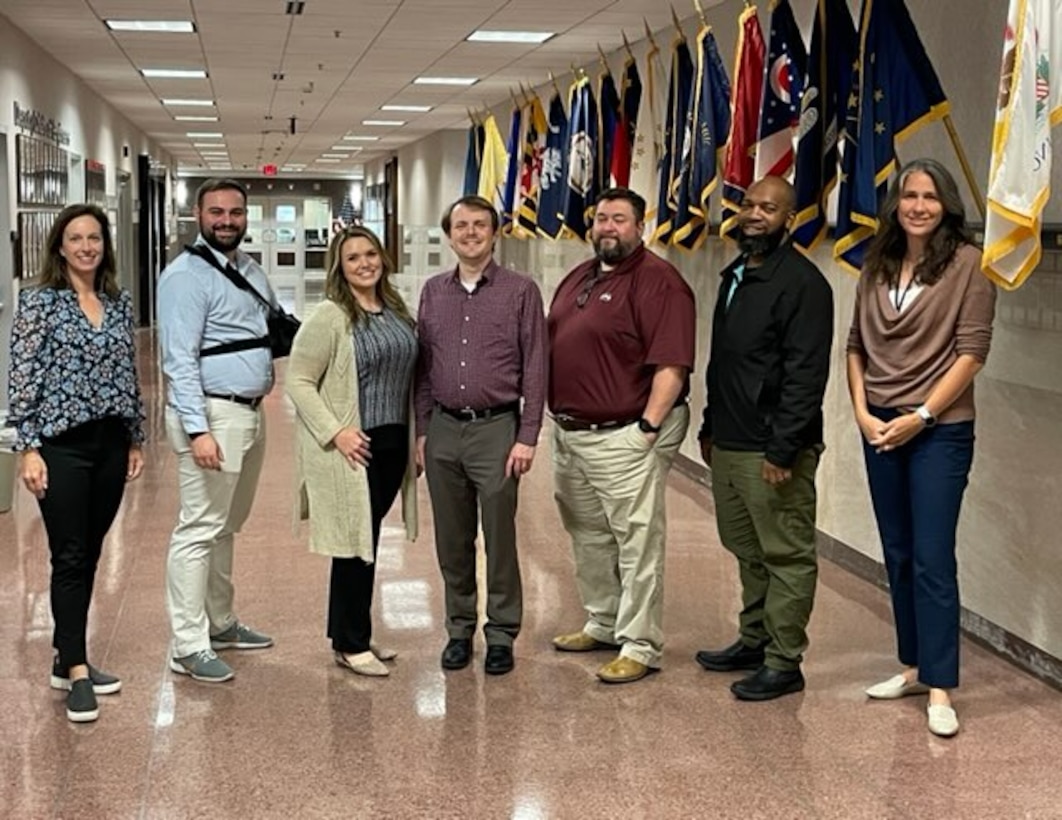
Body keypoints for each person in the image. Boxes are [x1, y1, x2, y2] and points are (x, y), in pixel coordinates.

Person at [847, 159, 996, 737]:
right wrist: (862, 414)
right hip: (879, 426)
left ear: (947, 205)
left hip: (940, 428)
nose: (918, 206)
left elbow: (972, 352)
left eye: (929, 197)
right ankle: (911, 665)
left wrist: (924, 414)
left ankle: (940, 686)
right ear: (895, 204)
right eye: (908, 195)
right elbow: (856, 344)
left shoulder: (967, 265)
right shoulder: (875, 263)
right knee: (899, 553)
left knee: (933, 557)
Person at [548, 187, 696, 684]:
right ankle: (605, 621)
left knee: (636, 542)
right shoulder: (581, 276)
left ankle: (640, 643)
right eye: (601, 219)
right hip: (572, 434)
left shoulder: (660, 283)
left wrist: (647, 430)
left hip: (626, 435)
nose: (607, 228)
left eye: (619, 219)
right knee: (588, 535)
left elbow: (672, 365)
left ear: (641, 227)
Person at [695, 176, 833, 701]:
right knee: (746, 550)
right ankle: (753, 640)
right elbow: (724, 364)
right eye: (749, 204)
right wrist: (710, 427)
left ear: (789, 219)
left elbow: (806, 375)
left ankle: (783, 660)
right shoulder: (736, 274)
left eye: (768, 208)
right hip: (729, 442)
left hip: (772, 450)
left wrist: (784, 449)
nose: (754, 214)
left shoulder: (803, 285)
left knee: (786, 555)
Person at [8, 204, 145, 722]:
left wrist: (135, 437)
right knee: (68, 554)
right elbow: (22, 377)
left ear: (104, 245)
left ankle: (65, 657)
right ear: (59, 246)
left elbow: (127, 373)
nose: (86, 246)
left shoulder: (117, 300)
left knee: (88, 552)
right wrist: (27, 447)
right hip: (60, 446)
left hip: (110, 443)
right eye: (76, 238)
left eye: (94, 238)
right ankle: (79, 670)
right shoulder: (40, 302)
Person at [414, 194, 547, 676]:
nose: (470, 233)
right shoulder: (432, 291)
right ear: (449, 235)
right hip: (445, 428)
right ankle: (458, 629)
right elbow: (423, 367)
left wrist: (527, 434)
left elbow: (536, 365)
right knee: (452, 539)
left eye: (480, 225)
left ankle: (501, 633)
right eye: (461, 226)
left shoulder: (520, 291)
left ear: (495, 233)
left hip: (498, 429)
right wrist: (424, 429)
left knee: (500, 537)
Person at [158, 178, 277, 684]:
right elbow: (178, 360)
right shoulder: (185, 275)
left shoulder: (248, 268)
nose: (227, 220)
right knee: (198, 530)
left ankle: (221, 621)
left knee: (226, 526)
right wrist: (197, 429)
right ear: (197, 216)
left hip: (249, 413)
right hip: (213, 416)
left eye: (235, 212)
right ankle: (187, 645)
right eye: (216, 212)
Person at [286, 225, 418, 677]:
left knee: (369, 538)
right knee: (354, 541)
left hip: (393, 442)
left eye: (370, 254)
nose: (365, 264)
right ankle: (349, 642)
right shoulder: (330, 315)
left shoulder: (396, 309)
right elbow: (298, 381)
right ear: (339, 269)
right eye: (353, 258)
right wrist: (336, 432)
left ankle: (355, 629)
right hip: (354, 446)